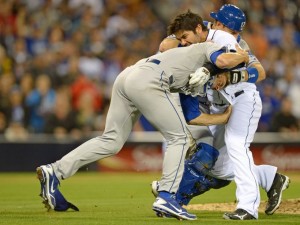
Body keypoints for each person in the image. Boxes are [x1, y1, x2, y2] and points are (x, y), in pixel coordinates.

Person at [36, 40, 249, 220]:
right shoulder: (204, 45)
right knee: (180, 138)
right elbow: (219, 58)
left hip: (129, 75)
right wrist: (243, 56)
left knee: (111, 140)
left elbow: (192, 116)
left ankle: (55, 171)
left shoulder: (192, 63)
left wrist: (221, 118)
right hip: (148, 80)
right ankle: (167, 197)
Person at [153, 6, 290, 220]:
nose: (233, 35)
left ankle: (247, 207)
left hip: (239, 99)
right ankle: (268, 177)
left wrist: (230, 76)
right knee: (218, 168)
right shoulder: (200, 31)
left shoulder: (236, 44)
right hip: (218, 105)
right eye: (226, 28)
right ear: (219, 25)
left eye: (235, 33)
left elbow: (259, 72)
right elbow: (167, 44)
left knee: (236, 145)